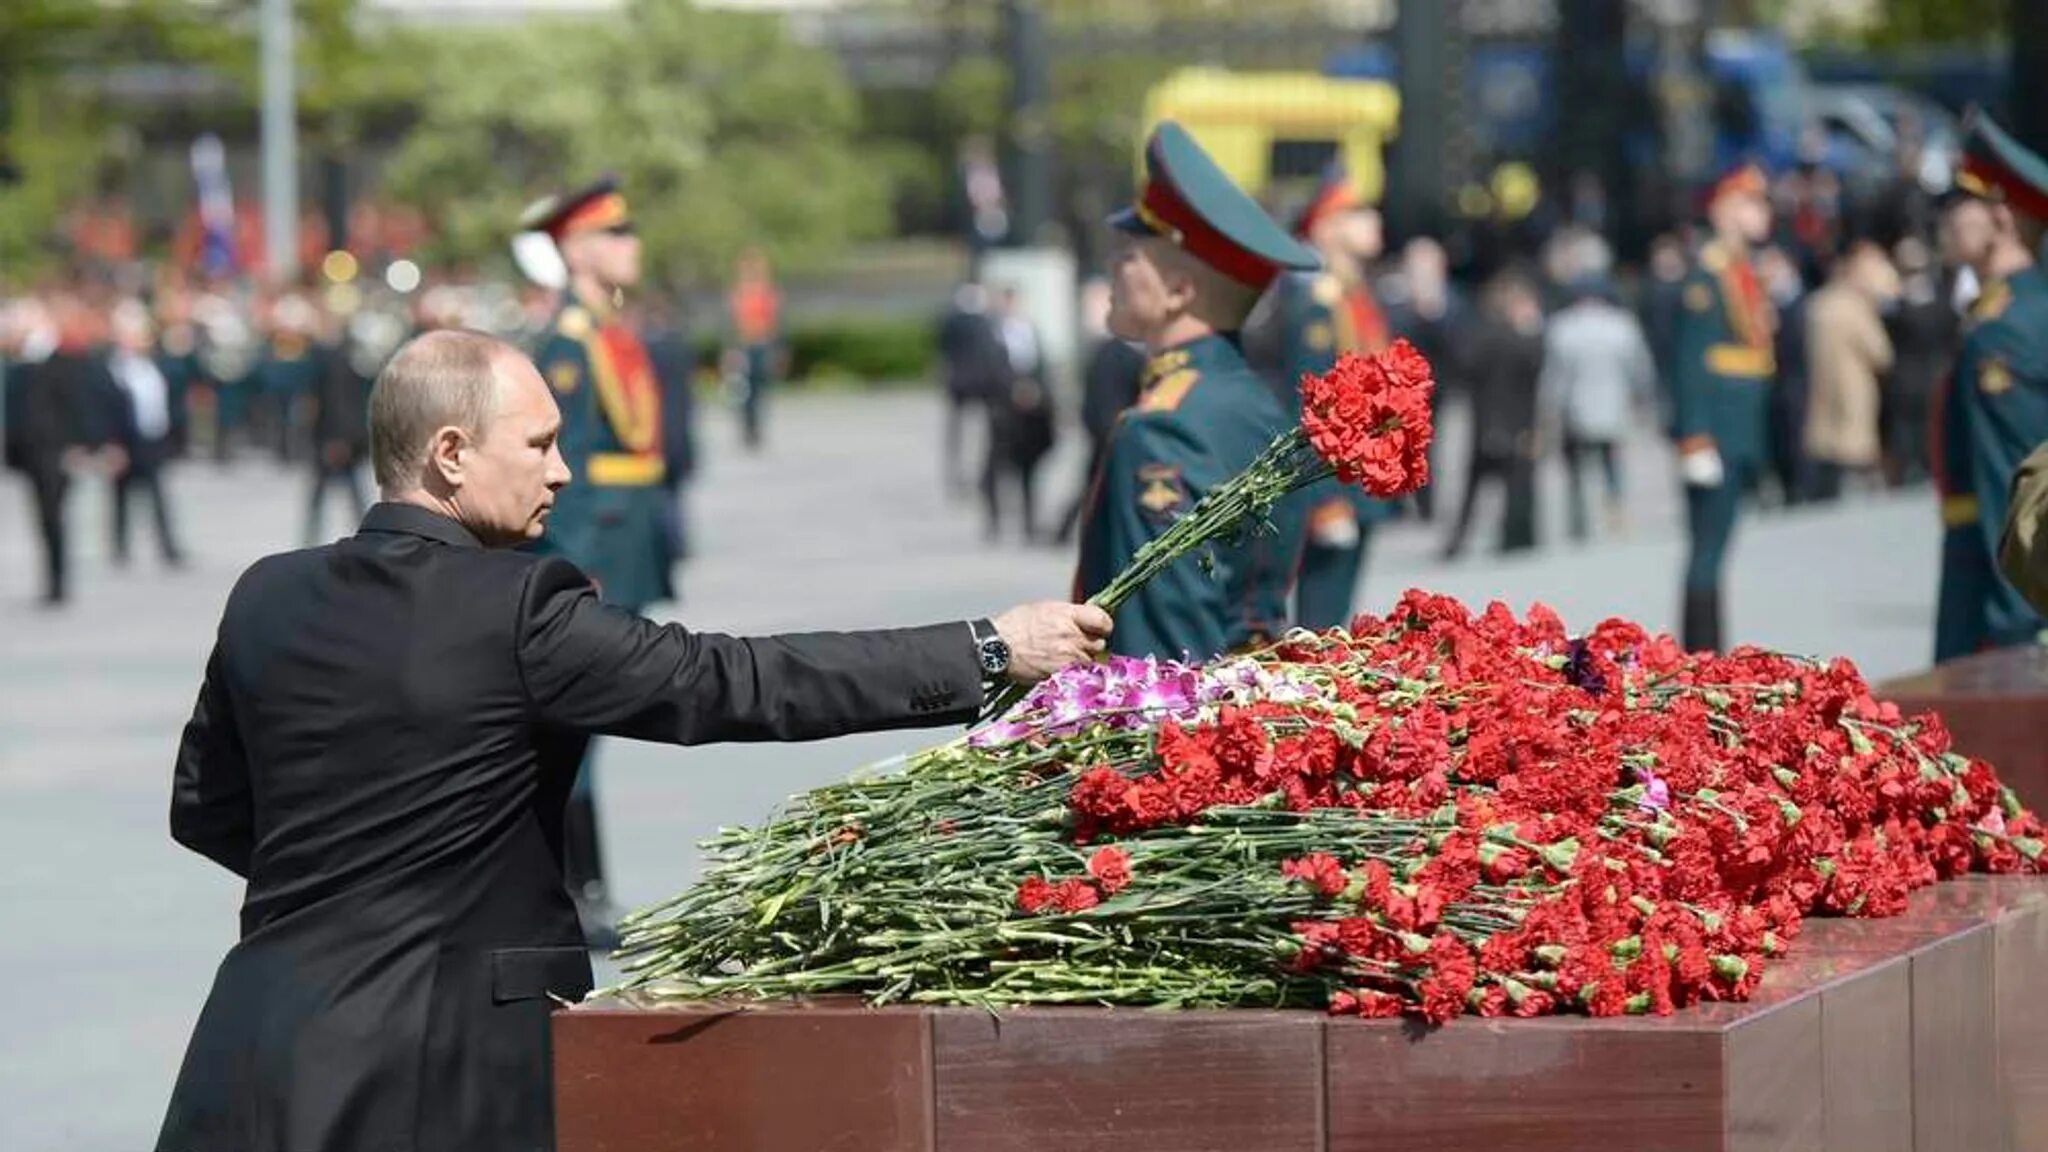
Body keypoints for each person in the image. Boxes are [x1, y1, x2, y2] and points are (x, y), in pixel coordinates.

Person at [154, 328, 1109, 1152]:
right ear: (450, 453)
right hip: (439, 1076)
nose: (562, 471)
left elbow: (205, 808)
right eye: (540, 444)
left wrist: (352, 891)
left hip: (256, 1048)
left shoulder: (266, 593)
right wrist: (991, 648)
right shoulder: (518, 609)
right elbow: (733, 681)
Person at [1073, 120, 1317, 660]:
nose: (1114, 266)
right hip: (1250, 707)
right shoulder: (1256, 405)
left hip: (1183, 727)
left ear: (1180, 291)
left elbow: (1161, 651)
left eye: (1131, 255)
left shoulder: (1162, 427)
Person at [519, 176, 676, 940]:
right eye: (616, 235)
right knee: (576, 723)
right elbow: (562, 464)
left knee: (593, 720)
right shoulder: (568, 346)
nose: (631, 246)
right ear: (576, 251)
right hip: (595, 548)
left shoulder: (610, 331)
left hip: (626, 539)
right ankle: (572, 893)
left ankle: (583, 889)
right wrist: (572, 562)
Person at [1931, 112, 2048, 662]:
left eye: (1960, 204)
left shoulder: (2005, 331)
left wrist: (2013, 627)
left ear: (2000, 215)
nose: (1946, 220)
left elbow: (2012, 483)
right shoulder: (2006, 315)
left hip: (1998, 603)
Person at [1272, 161, 1394, 628]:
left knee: (1337, 615)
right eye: (1358, 213)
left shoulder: (1353, 292)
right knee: (1320, 622)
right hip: (1335, 483)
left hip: (1361, 475)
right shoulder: (1317, 300)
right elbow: (1312, 405)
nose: (1374, 221)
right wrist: (1324, 499)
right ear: (1326, 227)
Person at [1670, 163, 1778, 652]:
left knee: (1719, 549)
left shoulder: (1741, 272)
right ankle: (1700, 655)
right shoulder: (1706, 277)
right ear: (1724, 211)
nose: (1761, 213)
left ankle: (1712, 650)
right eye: (1750, 203)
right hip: (1716, 430)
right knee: (1707, 551)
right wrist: (1694, 436)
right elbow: (1691, 360)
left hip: (1740, 430)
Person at [4, 292, 127, 607]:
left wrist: (99, 444)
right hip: (36, 452)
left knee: (55, 517)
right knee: (47, 518)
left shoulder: (81, 363)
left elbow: (97, 406)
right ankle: (55, 580)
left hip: (61, 452)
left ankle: (59, 581)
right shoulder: (30, 363)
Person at [1539, 272, 1655, 542]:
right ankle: (1616, 511)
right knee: (1612, 461)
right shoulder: (1622, 325)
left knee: (1577, 466)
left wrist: (1549, 407)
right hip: (1613, 404)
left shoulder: (1562, 327)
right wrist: (1642, 398)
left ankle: (1579, 518)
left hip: (1576, 407)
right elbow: (1639, 366)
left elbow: (1554, 375)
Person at [1441, 268, 1546, 559]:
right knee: (1518, 485)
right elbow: (1537, 370)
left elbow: (1463, 367)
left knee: (1473, 488)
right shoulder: (1522, 339)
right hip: (1520, 421)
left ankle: (1458, 542)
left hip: (1485, 421)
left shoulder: (1482, 335)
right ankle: (1517, 536)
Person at [1802, 238, 1899, 502]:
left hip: (1822, 388)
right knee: (1857, 448)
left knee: (1828, 446)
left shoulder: (1818, 304)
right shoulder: (1855, 307)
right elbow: (1881, 353)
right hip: (1855, 387)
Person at [1054, 277, 1145, 545]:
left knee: (1093, 486)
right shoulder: (1114, 353)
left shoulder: (1115, 351)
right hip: (1110, 432)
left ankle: (1068, 531)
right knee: (1095, 487)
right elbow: (1104, 399)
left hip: (1108, 431)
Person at [107, 299, 188, 567]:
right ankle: (119, 547)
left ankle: (168, 546)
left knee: (158, 495)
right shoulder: (114, 368)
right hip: (126, 440)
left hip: (152, 439)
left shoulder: (155, 365)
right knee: (121, 497)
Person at [982, 284, 1057, 543]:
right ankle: (994, 520)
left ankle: (1030, 521)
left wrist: (1038, 393)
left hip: (1030, 414)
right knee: (995, 468)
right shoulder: (990, 334)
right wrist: (1013, 390)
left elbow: (1043, 367)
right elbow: (988, 371)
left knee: (1029, 469)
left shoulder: (1030, 331)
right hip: (1002, 411)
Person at [1883, 236, 1959, 487]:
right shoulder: (1901, 303)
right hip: (1921, 374)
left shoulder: (1899, 305)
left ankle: (1922, 467)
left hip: (1919, 374)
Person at [303, 317, 372, 545]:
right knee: (348, 494)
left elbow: (339, 403)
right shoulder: (345, 358)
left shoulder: (334, 360)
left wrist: (338, 439)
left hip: (336, 439)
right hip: (340, 437)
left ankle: (312, 540)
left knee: (337, 494)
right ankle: (366, 538)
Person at [937, 281, 1006, 498]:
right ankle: (977, 477)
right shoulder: (985, 323)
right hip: (981, 386)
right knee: (979, 433)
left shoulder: (951, 321)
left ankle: (960, 476)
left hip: (958, 384)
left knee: (959, 434)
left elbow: (943, 351)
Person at [723, 247, 783, 452]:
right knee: (743, 391)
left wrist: (776, 349)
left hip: (761, 344)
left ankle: (756, 428)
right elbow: (731, 325)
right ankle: (747, 428)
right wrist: (731, 350)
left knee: (759, 389)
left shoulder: (767, 293)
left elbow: (775, 323)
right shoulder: (738, 294)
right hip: (744, 346)